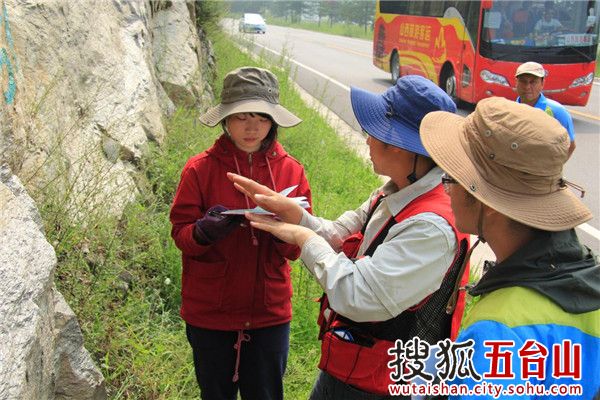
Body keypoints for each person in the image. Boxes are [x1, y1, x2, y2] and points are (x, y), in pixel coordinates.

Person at [229, 75, 471, 399]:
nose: (367, 140)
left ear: (398, 145)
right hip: (354, 366)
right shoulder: (395, 192)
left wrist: (303, 238)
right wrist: (295, 214)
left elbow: (359, 295)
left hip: (384, 385)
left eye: (372, 131)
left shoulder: (432, 226)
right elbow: (341, 234)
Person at [420, 97, 600, 398]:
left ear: (488, 203)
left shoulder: (497, 330)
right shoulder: (586, 281)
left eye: (453, 178)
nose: (446, 190)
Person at [169, 66, 312, 400]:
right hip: (210, 314)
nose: (252, 127)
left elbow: (299, 246)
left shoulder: (291, 169)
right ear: (226, 120)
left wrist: (283, 231)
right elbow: (182, 236)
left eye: (261, 118)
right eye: (241, 117)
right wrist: (204, 232)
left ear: (273, 122)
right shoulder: (199, 169)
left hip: (269, 314)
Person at [515, 61, 576, 157]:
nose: (527, 87)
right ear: (516, 83)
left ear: (542, 83)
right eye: (523, 81)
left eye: (533, 82)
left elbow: (570, 146)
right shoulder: (510, 110)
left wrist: (551, 169)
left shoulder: (558, 111)